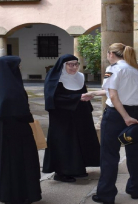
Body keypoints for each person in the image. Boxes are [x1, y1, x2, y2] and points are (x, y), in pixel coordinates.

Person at [83, 43, 138, 204]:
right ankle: (135, 189)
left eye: (107, 53)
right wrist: (94, 93)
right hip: (137, 113)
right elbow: (116, 91)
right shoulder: (134, 70)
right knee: (135, 153)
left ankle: (106, 194)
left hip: (118, 115)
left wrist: (125, 117)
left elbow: (115, 97)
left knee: (109, 154)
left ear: (111, 54)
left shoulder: (114, 69)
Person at [0, 56, 42, 204]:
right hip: (15, 136)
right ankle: (17, 197)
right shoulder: (11, 90)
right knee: (17, 166)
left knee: (2, 165)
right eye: (18, 66)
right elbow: (20, 112)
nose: (19, 69)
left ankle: (3, 193)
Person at [43, 54, 100, 183]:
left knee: (79, 141)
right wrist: (77, 98)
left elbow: (83, 92)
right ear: (63, 65)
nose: (74, 67)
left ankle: (78, 168)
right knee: (65, 143)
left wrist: (86, 100)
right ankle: (62, 172)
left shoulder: (80, 77)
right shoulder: (54, 78)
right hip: (62, 117)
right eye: (70, 65)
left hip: (80, 114)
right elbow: (53, 99)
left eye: (76, 64)